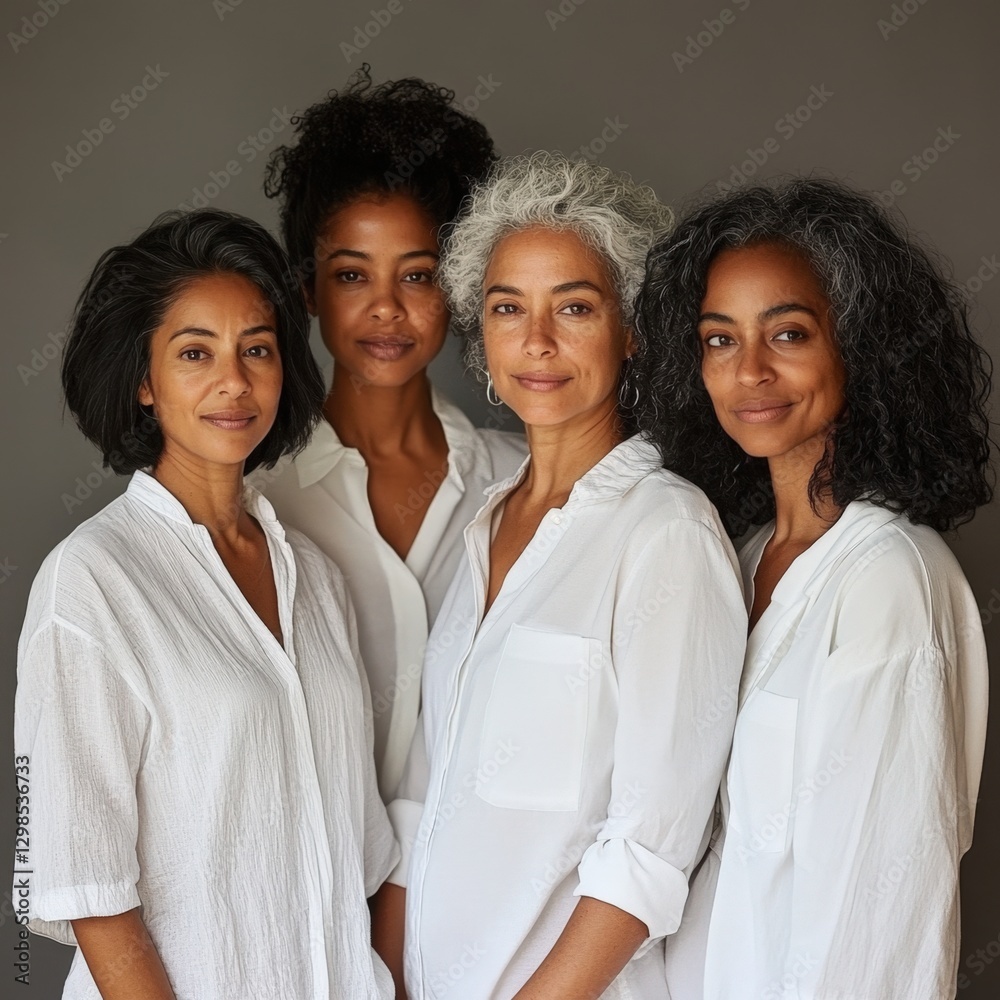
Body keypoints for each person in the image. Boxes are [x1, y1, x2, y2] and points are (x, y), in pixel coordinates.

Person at [381, 151, 747, 999]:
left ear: (633, 332)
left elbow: (649, 850)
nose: (537, 343)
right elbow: (423, 804)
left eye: (574, 308)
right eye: (509, 308)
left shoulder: (667, 534)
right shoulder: (482, 527)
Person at [14, 210, 398, 999]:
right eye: (196, 353)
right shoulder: (92, 580)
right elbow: (92, 894)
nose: (235, 381)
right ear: (145, 381)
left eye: (256, 349)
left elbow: (352, 858)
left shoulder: (317, 581)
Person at [635, 178, 993, 999]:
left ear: (860, 346)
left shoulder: (891, 580)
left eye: (787, 333)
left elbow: (885, 907)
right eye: (719, 340)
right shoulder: (736, 553)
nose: (749, 371)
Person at [260, 65, 527, 803]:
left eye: (418, 275)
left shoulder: (525, 484)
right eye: (352, 276)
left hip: (477, 901)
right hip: (307, 896)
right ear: (307, 290)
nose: (386, 309)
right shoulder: (253, 499)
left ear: (460, 287)